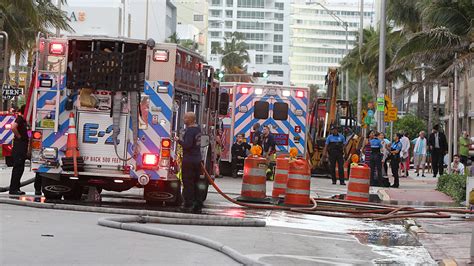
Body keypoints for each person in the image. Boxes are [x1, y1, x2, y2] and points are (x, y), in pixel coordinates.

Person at [174, 112, 203, 214]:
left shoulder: (190, 131)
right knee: (195, 183)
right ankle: (198, 205)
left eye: (185, 118)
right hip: (197, 160)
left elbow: (187, 145)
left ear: (190, 119)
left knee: (188, 183)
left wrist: (178, 140)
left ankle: (188, 204)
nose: (183, 119)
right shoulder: (198, 129)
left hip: (189, 160)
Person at [8, 105, 29, 195]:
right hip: (19, 146)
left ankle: (16, 187)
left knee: (20, 168)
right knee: (18, 168)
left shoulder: (24, 120)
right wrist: (19, 136)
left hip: (22, 146)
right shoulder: (20, 119)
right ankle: (13, 189)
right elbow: (13, 127)